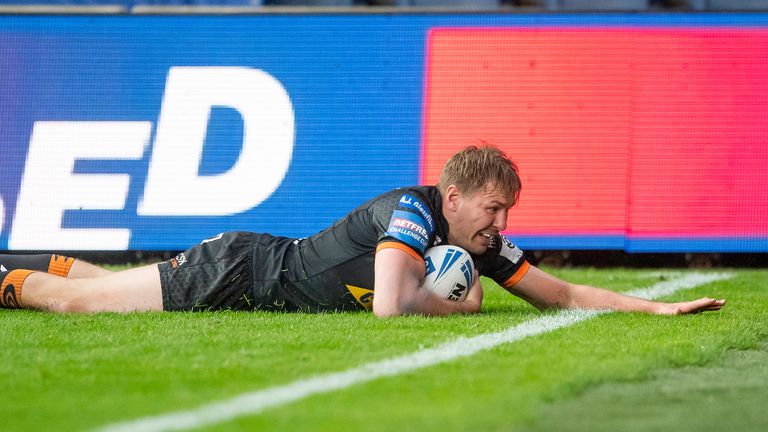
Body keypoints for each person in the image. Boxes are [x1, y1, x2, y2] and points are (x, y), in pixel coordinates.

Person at [0, 145, 725, 316]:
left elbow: (560, 293)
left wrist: (661, 307)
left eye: (508, 213)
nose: (503, 226)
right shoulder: (411, 211)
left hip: (254, 271)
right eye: (493, 211)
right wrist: (461, 305)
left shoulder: (477, 243)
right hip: (244, 274)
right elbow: (389, 303)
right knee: (80, 303)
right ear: (454, 197)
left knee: (100, 282)